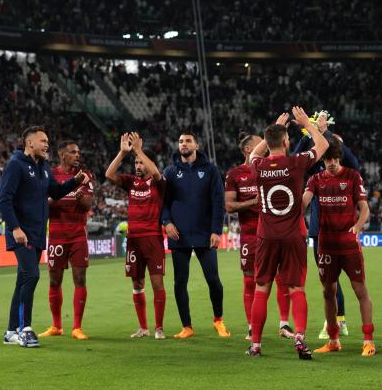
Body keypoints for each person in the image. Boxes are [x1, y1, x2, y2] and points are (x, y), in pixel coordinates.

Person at [247, 107, 329, 359]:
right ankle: (300, 339)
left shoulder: (258, 165)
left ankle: (256, 345)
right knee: (296, 288)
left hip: (266, 235)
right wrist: (307, 123)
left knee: (262, 288)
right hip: (293, 235)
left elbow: (252, 154)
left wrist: (272, 127)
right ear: (286, 141)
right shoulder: (296, 163)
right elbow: (323, 144)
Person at [0, 126, 89, 348]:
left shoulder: (43, 168)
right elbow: (4, 199)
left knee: (23, 279)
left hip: (38, 234)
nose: (47, 144)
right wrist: (15, 228)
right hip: (22, 233)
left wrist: (75, 181)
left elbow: (56, 192)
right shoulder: (16, 165)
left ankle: (11, 331)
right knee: (32, 275)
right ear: (29, 143)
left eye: (47, 141)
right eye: (43, 141)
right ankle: (25, 329)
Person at [302, 137, 375, 357]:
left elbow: (364, 208)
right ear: (322, 159)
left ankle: (368, 341)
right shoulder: (315, 179)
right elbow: (303, 202)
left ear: (339, 158)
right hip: (326, 244)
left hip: (348, 244)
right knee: (327, 291)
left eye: (335, 158)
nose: (332, 162)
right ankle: (333, 339)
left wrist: (358, 226)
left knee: (360, 289)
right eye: (327, 159)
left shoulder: (352, 177)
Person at [292, 112, 360, 340]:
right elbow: (294, 161)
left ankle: (340, 323)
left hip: (344, 233)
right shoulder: (317, 173)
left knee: (354, 283)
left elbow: (353, 161)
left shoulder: (347, 170)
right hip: (320, 233)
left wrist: (324, 132)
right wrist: (306, 133)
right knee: (328, 282)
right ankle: (336, 322)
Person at [225, 132, 294, 341]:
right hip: (250, 236)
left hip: (274, 232)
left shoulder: (269, 169)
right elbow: (229, 206)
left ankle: (284, 324)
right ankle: (251, 328)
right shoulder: (235, 174)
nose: (265, 146)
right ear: (248, 149)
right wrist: (252, 202)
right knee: (250, 282)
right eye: (260, 143)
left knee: (282, 278)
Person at [162, 130, 229, 338]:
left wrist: (216, 231)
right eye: (181, 141)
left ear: (197, 146)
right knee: (180, 282)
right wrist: (166, 222)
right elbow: (163, 201)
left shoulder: (210, 170)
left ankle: (218, 320)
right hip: (178, 234)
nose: (183, 144)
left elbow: (218, 202)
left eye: (188, 141)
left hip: (204, 234)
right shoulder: (171, 172)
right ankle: (187, 327)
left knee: (213, 279)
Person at [106, 132, 167, 339]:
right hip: (133, 239)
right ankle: (143, 327)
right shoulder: (131, 182)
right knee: (137, 284)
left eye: (141, 163)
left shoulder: (159, 183)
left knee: (157, 284)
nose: (138, 166)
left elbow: (157, 174)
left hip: (153, 238)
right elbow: (109, 174)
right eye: (136, 163)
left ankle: (159, 327)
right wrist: (123, 153)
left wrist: (139, 150)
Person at [39, 141, 94, 340]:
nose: (77, 155)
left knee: (80, 279)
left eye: (78, 152)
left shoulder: (85, 175)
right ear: (62, 155)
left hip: (78, 235)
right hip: (56, 236)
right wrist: (58, 198)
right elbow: (46, 204)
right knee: (54, 281)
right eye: (73, 152)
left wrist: (80, 198)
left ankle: (77, 327)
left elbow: (88, 205)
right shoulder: (51, 175)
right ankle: (56, 326)